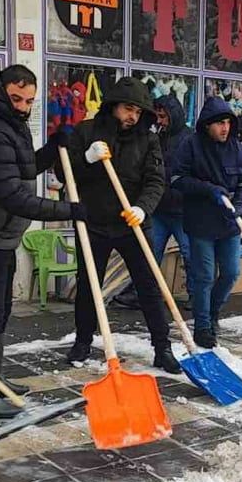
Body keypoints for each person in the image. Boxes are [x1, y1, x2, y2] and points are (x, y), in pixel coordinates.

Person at [0, 65, 89, 419]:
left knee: (1, 310)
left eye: (29, 100)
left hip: (1, 234)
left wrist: (51, 148)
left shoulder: (10, 125)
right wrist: (70, 210)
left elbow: (25, 169)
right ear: (1, 92)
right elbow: (12, 195)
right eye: (16, 98)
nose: (23, 106)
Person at [58, 77, 179, 373]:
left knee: (149, 286)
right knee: (89, 285)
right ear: (113, 106)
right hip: (94, 221)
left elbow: (155, 181)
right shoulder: (87, 132)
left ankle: (162, 348)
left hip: (131, 223)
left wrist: (143, 208)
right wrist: (86, 159)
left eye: (138, 112)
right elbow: (64, 174)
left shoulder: (148, 140)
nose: (132, 117)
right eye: (128, 109)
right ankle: (83, 341)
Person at [171, 97, 242, 348]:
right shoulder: (191, 146)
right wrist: (208, 189)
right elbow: (177, 178)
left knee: (231, 273)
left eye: (228, 123)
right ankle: (203, 326)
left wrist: (239, 207)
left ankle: (213, 311)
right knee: (204, 276)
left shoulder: (238, 150)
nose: (225, 128)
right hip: (200, 223)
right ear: (207, 125)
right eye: (219, 123)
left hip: (228, 223)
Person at [113, 94, 193, 310]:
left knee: (189, 253)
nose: (160, 121)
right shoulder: (157, 137)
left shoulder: (188, 139)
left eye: (163, 117)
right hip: (159, 207)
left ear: (172, 116)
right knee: (149, 251)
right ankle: (142, 293)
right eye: (157, 117)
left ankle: (197, 296)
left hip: (181, 209)